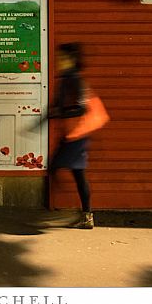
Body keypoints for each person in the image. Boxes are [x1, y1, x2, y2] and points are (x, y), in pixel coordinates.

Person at [47, 42, 95, 229]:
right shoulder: (65, 80)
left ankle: (83, 214)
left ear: (72, 60)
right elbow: (55, 106)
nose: (59, 61)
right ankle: (85, 214)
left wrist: (60, 113)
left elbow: (81, 108)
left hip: (77, 136)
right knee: (74, 173)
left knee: (70, 172)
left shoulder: (75, 80)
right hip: (69, 135)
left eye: (62, 58)